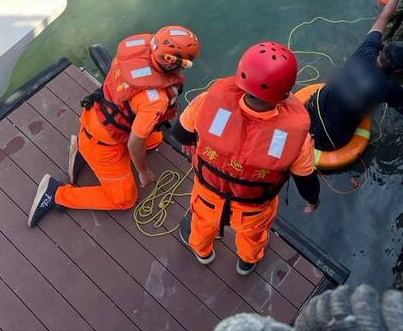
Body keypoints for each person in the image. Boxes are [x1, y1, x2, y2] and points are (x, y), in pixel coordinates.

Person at [27, 25, 200, 227]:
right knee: (124, 199)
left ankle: (81, 151)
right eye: (186, 63)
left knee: (155, 140)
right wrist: (143, 173)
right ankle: (57, 193)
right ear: (173, 62)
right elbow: (135, 144)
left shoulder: (136, 53)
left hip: (94, 116)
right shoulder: (156, 100)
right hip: (103, 144)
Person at [173, 42, 320, 276]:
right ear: (284, 93)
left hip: (207, 196)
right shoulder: (295, 138)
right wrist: (313, 201)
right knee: (253, 236)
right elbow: (306, 181)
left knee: (201, 225)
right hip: (253, 210)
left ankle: (203, 253)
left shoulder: (207, 102)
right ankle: (247, 262)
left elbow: (180, 133)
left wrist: (195, 144)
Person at [306, 0, 403, 151]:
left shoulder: (366, 49)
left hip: (310, 109)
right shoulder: (389, 87)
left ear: (382, 49)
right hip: (330, 138)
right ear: (397, 71)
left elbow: (384, 17)